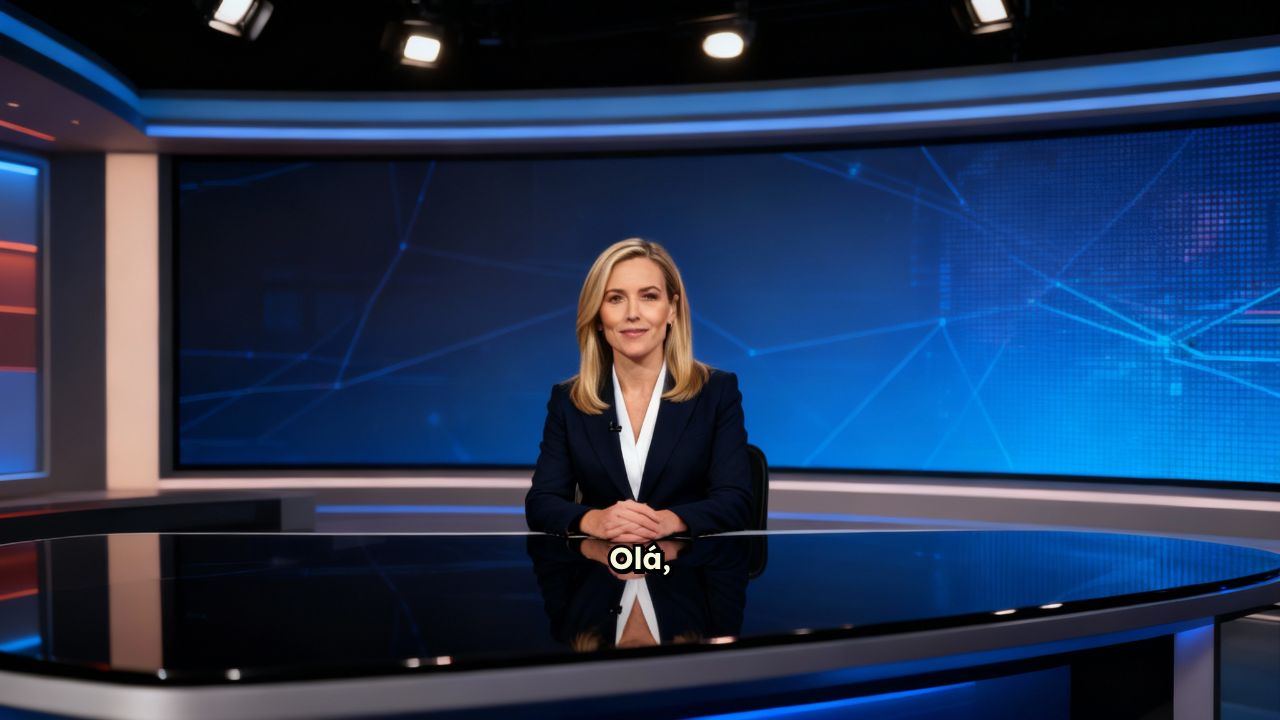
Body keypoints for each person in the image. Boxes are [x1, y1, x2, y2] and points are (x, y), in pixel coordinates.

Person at [525, 238, 752, 540]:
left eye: (649, 296)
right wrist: (593, 520)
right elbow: (541, 503)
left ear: (672, 310)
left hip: (689, 566)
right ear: (598, 316)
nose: (632, 313)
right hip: (601, 565)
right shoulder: (569, 400)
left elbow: (737, 502)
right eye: (615, 299)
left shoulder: (716, 392)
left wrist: (669, 521)